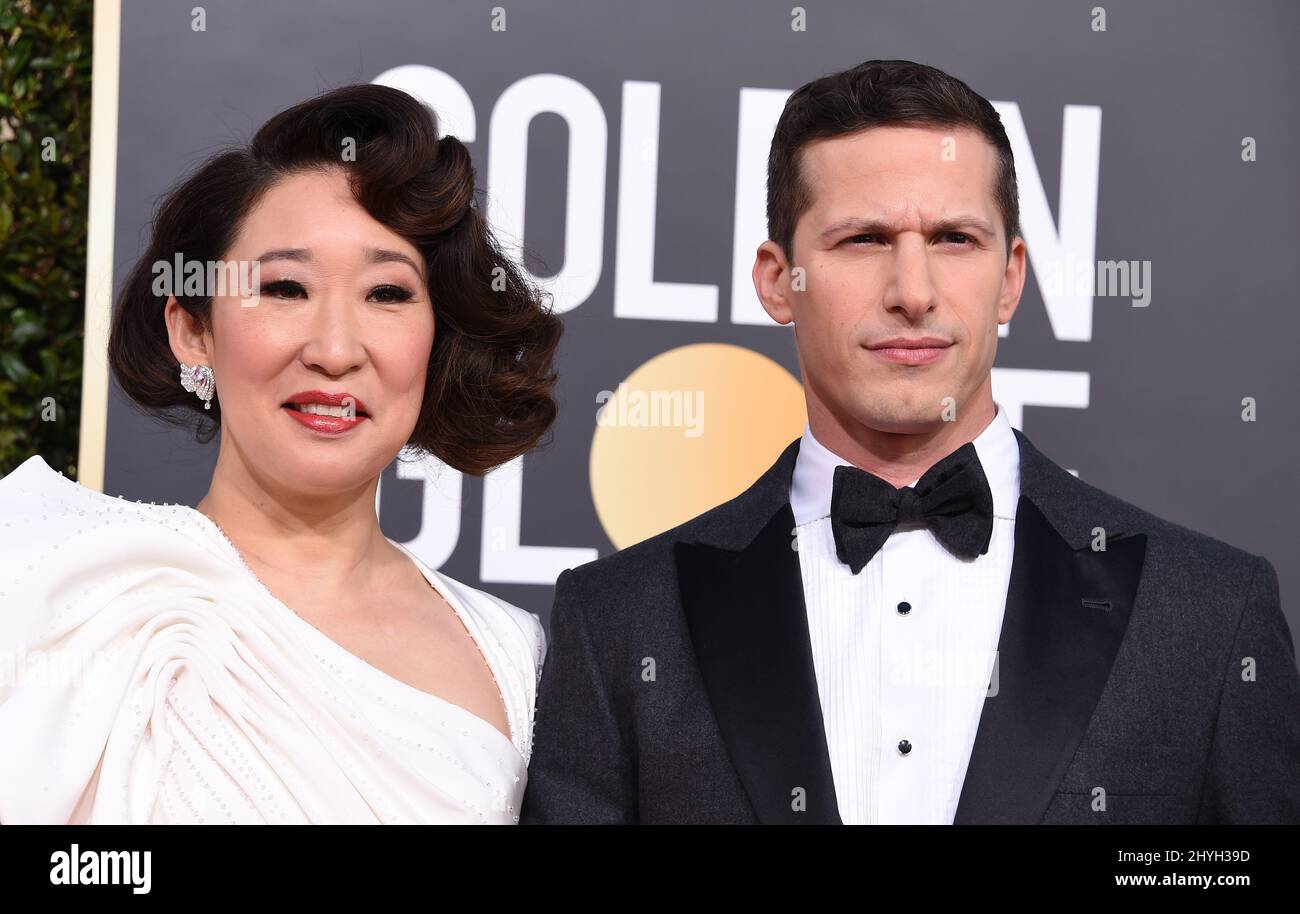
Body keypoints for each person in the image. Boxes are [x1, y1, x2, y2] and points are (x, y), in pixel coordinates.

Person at [520, 59, 1300, 824]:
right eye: (862, 240)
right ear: (775, 280)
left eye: (955, 238)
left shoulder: (1208, 609)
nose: (913, 294)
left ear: (1011, 278)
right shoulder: (619, 621)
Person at [0, 84, 562, 824]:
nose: (334, 350)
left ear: (438, 339)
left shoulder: (512, 655)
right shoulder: (61, 587)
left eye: (387, 294)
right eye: (286, 288)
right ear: (192, 330)